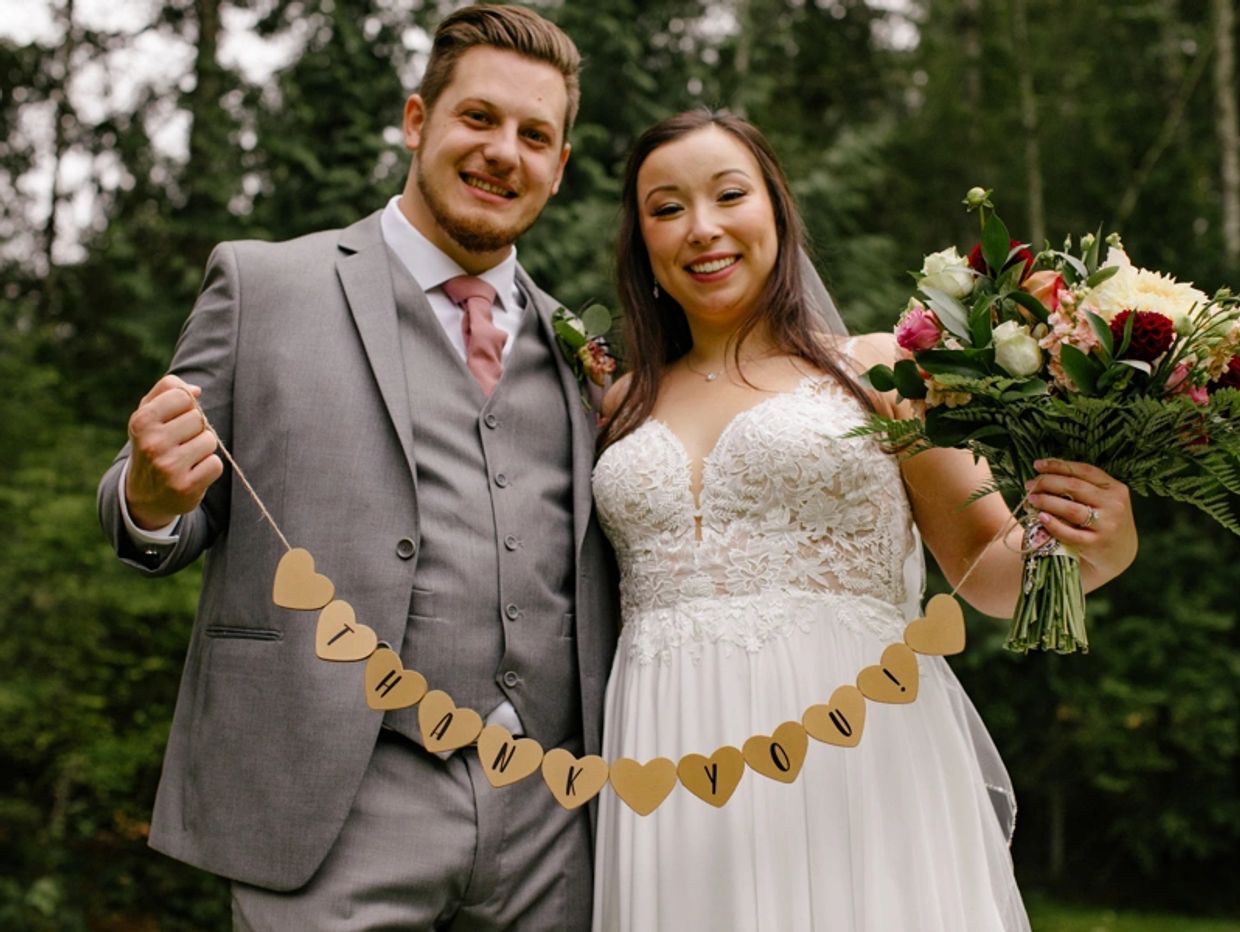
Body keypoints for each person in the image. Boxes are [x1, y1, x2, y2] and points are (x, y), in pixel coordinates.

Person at [97, 5, 618, 929]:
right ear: (418, 122)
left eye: (535, 135)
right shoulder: (263, 285)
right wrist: (147, 493)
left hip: (550, 816)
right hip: (331, 800)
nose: (505, 152)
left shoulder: (584, 354)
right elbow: (152, 506)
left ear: (560, 166)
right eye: (479, 118)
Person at [589, 109, 1138, 931]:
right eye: (666, 208)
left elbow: (987, 561)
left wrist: (1098, 547)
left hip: (852, 744)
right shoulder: (617, 405)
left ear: (776, 209)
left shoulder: (876, 368)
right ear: (642, 240)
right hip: (667, 747)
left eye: (728, 195)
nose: (701, 229)